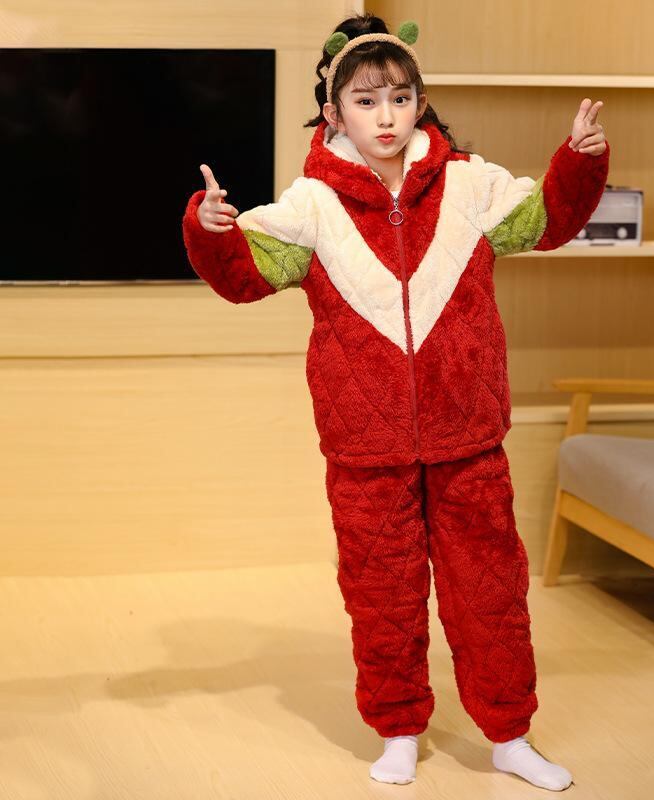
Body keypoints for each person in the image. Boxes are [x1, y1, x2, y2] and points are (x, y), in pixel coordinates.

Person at [181, 11, 609, 792]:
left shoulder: (472, 185)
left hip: (468, 437)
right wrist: (210, 230)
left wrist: (578, 163)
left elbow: (547, 219)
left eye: (401, 98)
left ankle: (510, 735)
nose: (386, 117)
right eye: (367, 101)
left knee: (491, 593)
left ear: (420, 102)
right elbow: (242, 276)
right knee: (382, 597)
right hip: (364, 449)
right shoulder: (310, 205)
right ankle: (400, 729)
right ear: (334, 111)